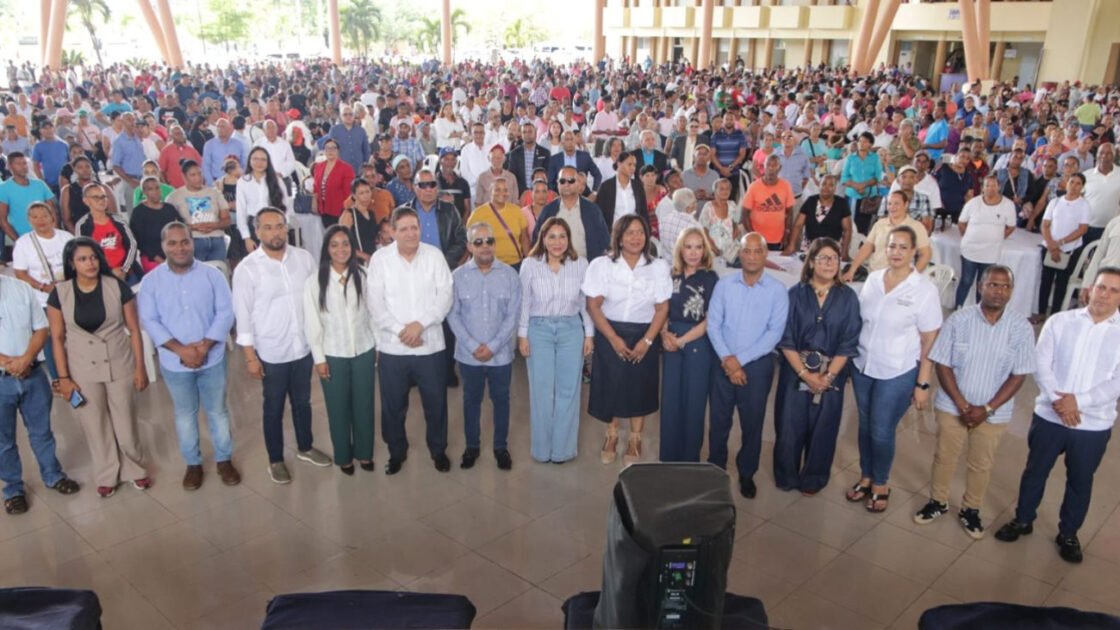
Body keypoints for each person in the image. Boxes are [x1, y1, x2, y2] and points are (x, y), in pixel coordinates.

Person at [993, 266, 1120, 563]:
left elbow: (1116, 382)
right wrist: (1059, 402)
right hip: (1050, 416)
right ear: (1090, 288)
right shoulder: (1060, 322)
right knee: (1035, 471)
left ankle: (1068, 534)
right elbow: (1041, 363)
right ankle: (1023, 520)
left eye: (1114, 290)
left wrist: (1078, 402)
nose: (1105, 295)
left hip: (1092, 424)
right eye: (1101, 287)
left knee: (1080, 481)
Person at [914, 265, 1035, 539]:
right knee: (944, 458)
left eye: (1005, 286)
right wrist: (961, 404)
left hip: (994, 413)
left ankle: (971, 509)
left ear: (1011, 291)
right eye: (993, 285)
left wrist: (987, 408)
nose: (999, 291)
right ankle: (938, 502)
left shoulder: (1021, 327)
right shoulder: (959, 320)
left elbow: (1019, 374)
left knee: (981, 464)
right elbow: (942, 364)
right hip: (952, 406)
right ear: (980, 287)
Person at [232, 207, 331, 484]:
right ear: (257, 232)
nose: (275, 233)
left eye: (279, 226)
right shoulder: (247, 269)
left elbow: (317, 299)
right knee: (273, 407)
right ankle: (275, 460)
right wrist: (250, 357)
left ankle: (305, 447)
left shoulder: (303, 259)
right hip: (272, 351)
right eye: (268, 227)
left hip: (302, 347)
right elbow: (243, 317)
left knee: (302, 402)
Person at [137, 223, 240, 490]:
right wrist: (181, 350)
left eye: (184, 241)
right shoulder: (151, 282)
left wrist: (204, 347)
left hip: (212, 358)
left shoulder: (212, 275)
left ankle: (224, 460)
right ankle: (193, 464)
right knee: (185, 415)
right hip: (175, 363)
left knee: (218, 411)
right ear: (163, 246)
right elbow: (149, 320)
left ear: (192, 243)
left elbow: (225, 312)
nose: (179, 248)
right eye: (172, 243)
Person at [847, 226, 942, 513]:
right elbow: (861, 321)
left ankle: (881, 482)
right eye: (891, 246)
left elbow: (930, 340)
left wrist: (922, 383)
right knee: (865, 425)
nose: (896, 252)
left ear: (914, 252)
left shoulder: (924, 290)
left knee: (881, 429)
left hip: (897, 371)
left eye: (903, 247)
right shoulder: (873, 280)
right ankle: (866, 475)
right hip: (863, 366)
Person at [48, 238, 151, 498]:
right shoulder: (60, 293)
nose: (90, 263)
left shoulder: (116, 286)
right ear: (72, 263)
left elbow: (134, 330)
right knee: (95, 424)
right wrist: (63, 378)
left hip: (119, 361)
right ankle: (107, 474)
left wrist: (140, 367)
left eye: (93, 257)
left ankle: (135, 469)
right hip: (82, 367)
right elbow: (57, 338)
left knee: (126, 423)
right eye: (82, 259)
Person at [367, 207, 454, 475]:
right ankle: (396, 451)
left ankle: (438, 450)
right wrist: (402, 331)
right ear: (392, 232)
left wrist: (420, 325)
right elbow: (375, 303)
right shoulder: (380, 260)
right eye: (403, 229)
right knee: (393, 406)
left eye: (414, 227)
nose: (410, 233)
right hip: (393, 348)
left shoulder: (434, 256)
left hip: (430, 345)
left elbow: (445, 296)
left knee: (436, 403)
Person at [774, 237, 860, 495]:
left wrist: (828, 376)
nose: (829, 263)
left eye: (834, 258)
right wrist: (805, 374)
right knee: (789, 426)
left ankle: (814, 478)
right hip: (795, 371)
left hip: (831, 374)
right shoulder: (795, 294)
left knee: (824, 428)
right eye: (823, 258)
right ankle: (786, 475)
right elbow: (786, 338)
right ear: (811, 262)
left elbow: (848, 342)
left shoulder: (848, 297)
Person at [583, 215, 671, 465]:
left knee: (639, 388)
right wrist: (612, 338)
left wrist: (648, 341)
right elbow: (593, 305)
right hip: (610, 332)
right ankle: (611, 435)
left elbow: (662, 308)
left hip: (645, 334)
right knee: (611, 386)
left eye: (640, 232)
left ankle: (635, 439)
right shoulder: (603, 265)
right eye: (629, 232)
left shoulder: (658, 267)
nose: (636, 237)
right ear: (619, 238)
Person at [706, 232, 789, 498]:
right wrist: (727, 359)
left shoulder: (777, 291)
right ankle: (716, 468)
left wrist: (738, 362)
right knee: (719, 422)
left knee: (752, 424)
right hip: (722, 362)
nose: (752, 256)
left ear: (765, 255)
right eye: (747, 251)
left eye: (757, 251)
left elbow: (774, 334)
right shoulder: (724, 285)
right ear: (739, 254)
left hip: (756, 366)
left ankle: (747, 472)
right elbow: (713, 325)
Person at [0, 272, 80, 514]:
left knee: (42, 432)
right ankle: (13, 490)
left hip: (32, 374)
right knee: (3, 442)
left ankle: (53, 475)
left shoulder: (20, 288)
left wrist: (26, 359)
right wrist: (10, 364)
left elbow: (41, 328)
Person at [518, 217, 594, 464]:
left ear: (569, 239)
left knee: (568, 391)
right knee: (541, 391)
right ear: (543, 238)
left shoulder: (580, 264)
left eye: (562, 236)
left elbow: (585, 302)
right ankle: (542, 450)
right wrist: (522, 335)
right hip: (538, 330)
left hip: (571, 329)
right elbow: (524, 302)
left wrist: (589, 334)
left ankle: (562, 450)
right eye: (552, 236)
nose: (557, 242)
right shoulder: (530, 265)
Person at [303, 225, 376, 475]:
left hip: (364, 349)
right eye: (334, 245)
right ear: (326, 249)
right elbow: (312, 322)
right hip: (333, 353)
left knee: (364, 404)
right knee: (337, 408)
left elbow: (373, 313)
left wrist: (376, 344)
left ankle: (364, 453)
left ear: (352, 247)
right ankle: (344, 456)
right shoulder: (314, 282)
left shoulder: (364, 276)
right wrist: (319, 358)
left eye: (345, 244)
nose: (341, 249)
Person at [448, 223, 521, 470]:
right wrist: (472, 346)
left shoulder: (510, 275)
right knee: (471, 400)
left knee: (501, 400)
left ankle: (500, 447)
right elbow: (453, 315)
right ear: (469, 246)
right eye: (478, 242)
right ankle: (472, 447)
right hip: (469, 356)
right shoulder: (458, 277)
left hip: (501, 356)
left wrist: (493, 346)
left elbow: (513, 316)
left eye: (489, 241)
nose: (485, 246)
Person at [659, 227, 718, 462]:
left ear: (704, 250)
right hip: (670, 340)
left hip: (697, 342)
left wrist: (681, 341)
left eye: (698, 247)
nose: (693, 252)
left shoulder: (711, 278)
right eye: (688, 247)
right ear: (680, 250)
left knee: (694, 401)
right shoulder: (671, 275)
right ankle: (668, 458)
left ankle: (689, 459)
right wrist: (664, 334)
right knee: (670, 400)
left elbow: (710, 320)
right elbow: (661, 308)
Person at [12, 202, 72, 384]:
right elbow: (20, 273)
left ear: (52, 216)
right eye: (35, 217)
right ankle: (58, 379)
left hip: (70, 295)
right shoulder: (23, 244)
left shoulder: (66, 237)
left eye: (44, 215)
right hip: (43, 300)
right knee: (52, 339)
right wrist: (43, 287)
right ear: (29, 220)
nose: (41, 220)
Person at [955, 175, 1017, 308]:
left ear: (999, 187)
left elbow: (1011, 226)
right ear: (982, 188)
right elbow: (961, 223)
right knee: (966, 281)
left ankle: (980, 311)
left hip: (990, 253)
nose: (990, 188)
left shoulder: (1008, 205)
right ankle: (958, 309)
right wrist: (968, 237)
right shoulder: (973, 203)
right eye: (987, 185)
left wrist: (998, 238)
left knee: (984, 284)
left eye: (993, 185)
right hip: (970, 251)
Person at [1036, 172, 1090, 321]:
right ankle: (1041, 312)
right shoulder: (1055, 202)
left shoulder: (1084, 205)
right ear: (1066, 183)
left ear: (1082, 187)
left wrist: (1060, 243)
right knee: (1045, 280)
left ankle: (1055, 316)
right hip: (1050, 247)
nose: (1074, 186)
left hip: (1069, 250)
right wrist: (1051, 245)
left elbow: (1082, 229)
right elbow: (1045, 224)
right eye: (1072, 182)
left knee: (1061, 283)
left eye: (1078, 183)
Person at [844, 190, 932, 279]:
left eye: (897, 203)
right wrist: (852, 270)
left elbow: (926, 254)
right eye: (889, 204)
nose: (892, 207)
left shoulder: (916, 226)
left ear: (906, 205)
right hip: (874, 273)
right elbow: (867, 247)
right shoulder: (880, 224)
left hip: (901, 277)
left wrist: (912, 276)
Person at [533, 165, 611, 260]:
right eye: (562, 181)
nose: (566, 184)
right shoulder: (548, 210)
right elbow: (537, 241)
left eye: (571, 180)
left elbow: (605, 242)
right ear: (557, 184)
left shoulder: (592, 210)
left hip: (586, 266)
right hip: (554, 266)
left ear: (578, 183)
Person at [74, 183, 141, 284]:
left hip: (127, 273)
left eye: (103, 197)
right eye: (96, 197)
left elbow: (132, 244)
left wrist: (124, 270)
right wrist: (108, 272)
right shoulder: (82, 225)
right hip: (102, 277)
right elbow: (84, 252)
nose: (101, 200)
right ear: (86, 201)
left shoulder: (118, 220)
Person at [165, 160, 230, 262]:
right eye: (193, 175)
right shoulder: (174, 197)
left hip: (217, 239)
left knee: (218, 269)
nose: (198, 178)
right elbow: (171, 225)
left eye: (200, 174)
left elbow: (227, 220)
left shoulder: (214, 193)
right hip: (192, 240)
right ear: (184, 177)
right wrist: (193, 227)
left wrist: (214, 225)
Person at [236, 147, 291, 254]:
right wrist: (246, 237)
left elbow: (286, 206)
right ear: (249, 161)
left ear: (268, 162)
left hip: (275, 225)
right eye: (255, 159)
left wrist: (285, 230)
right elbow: (241, 211)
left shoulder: (277, 180)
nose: (259, 163)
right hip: (253, 226)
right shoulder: (243, 182)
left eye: (263, 160)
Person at [467, 179, 529, 269]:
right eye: (497, 190)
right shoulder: (478, 214)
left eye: (505, 190)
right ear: (490, 192)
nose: (502, 193)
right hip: (490, 265)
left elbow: (524, 239)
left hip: (515, 265)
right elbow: (471, 241)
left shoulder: (516, 211)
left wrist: (528, 261)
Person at [784, 174, 851, 256]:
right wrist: (791, 246)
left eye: (831, 185)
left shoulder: (841, 203)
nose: (826, 188)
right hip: (810, 248)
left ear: (835, 188)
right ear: (819, 185)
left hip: (832, 250)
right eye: (824, 184)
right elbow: (798, 225)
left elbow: (847, 229)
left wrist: (844, 252)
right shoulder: (810, 201)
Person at [0, 153, 54, 253]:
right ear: (9, 166)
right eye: (18, 164)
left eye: (24, 163)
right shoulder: (3, 189)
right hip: (23, 239)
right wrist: (19, 241)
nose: (23, 167)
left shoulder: (40, 184)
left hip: (47, 237)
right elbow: (2, 220)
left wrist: (54, 234)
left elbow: (52, 212)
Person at [743, 154, 795, 251]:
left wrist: (787, 233)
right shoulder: (754, 187)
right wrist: (753, 235)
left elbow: (790, 212)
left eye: (774, 165)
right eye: (768, 165)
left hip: (778, 239)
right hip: (758, 239)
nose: (771, 168)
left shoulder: (786, 185)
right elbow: (744, 213)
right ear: (764, 166)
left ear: (779, 168)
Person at [130, 177, 181, 273]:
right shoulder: (139, 212)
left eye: (157, 188)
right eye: (150, 189)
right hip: (152, 258)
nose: (155, 192)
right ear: (144, 192)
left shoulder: (169, 208)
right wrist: (160, 260)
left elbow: (179, 228)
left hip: (174, 254)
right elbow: (139, 241)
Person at [840, 132, 883, 235]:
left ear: (870, 144)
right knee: (851, 225)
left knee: (865, 226)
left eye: (865, 141)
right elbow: (844, 178)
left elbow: (878, 177)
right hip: (852, 196)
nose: (861, 143)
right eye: (860, 141)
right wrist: (856, 186)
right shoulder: (851, 158)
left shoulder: (875, 158)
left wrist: (863, 185)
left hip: (868, 197)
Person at [338, 178, 387, 263]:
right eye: (361, 193)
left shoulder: (371, 214)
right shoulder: (349, 214)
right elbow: (341, 242)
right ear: (354, 196)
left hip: (372, 259)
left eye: (368, 192)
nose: (366, 196)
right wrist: (365, 256)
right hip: (356, 262)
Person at [594, 152, 647, 227]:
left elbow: (644, 212)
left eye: (634, 165)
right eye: (629, 164)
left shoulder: (638, 186)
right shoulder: (606, 187)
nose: (633, 168)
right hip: (613, 231)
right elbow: (598, 213)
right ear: (619, 164)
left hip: (634, 230)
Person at [312, 139, 356, 228]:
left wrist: (347, 211)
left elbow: (349, 193)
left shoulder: (346, 168)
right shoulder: (318, 167)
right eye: (327, 148)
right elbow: (316, 187)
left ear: (338, 151)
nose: (330, 151)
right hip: (324, 211)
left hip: (340, 211)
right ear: (324, 151)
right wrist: (314, 203)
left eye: (333, 148)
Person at [507, 122, 550, 196]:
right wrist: (524, 192)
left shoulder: (545, 153)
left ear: (535, 133)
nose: (527, 134)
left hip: (540, 193)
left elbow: (547, 174)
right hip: (520, 194)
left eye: (530, 131)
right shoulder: (514, 154)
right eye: (524, 132)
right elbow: (512, 176)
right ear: (521, 134)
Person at [200, 118, 246, 186]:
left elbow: (244, 164)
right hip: (216, 182)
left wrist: (242, 181)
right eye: (218, 126)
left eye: (222, 126)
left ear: (229, 129)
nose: (220, 129)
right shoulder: (209, 145)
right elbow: (206, 167)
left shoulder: (238, 144)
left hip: (236, 182)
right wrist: (212, 185)